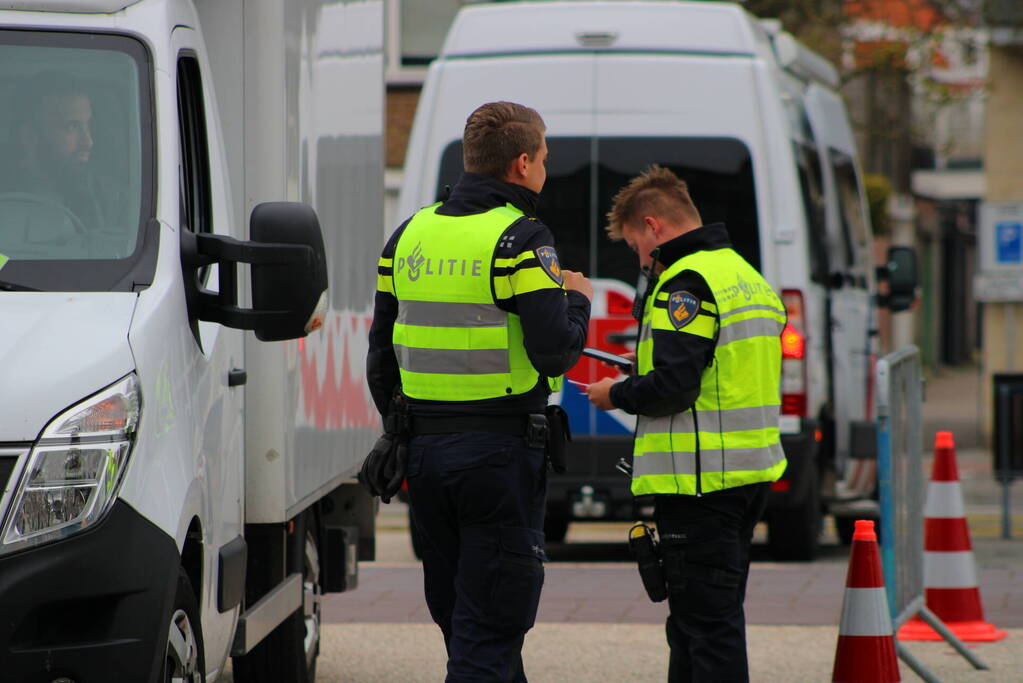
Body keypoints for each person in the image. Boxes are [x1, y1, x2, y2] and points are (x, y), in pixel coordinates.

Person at [366, 101, 592, 682]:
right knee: (488, 632)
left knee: (467, 625)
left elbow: (380, 359)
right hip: (498, 457)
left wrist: (404, 431)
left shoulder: (408, 235)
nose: (546, 167)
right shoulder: (521, 239)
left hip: (425, 456)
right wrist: (577, 299)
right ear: (522, 164)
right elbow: (555, 351)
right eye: (544, 158)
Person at [585, 165, 787, 683]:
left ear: (653, 226)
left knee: (706, 629)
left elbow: (675, 386)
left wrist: (616, 394)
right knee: (700, 624)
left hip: (700, 483)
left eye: (636, 247)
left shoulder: (687, 283)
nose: (640, 260)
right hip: (744, 477)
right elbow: (716, 371)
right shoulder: (743, 274)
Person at [2, 74, 117, 232]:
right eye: (72, 127)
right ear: (29, 136)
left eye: (88, 125)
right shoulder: (6, 192)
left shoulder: (110, 200)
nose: (88, 141)